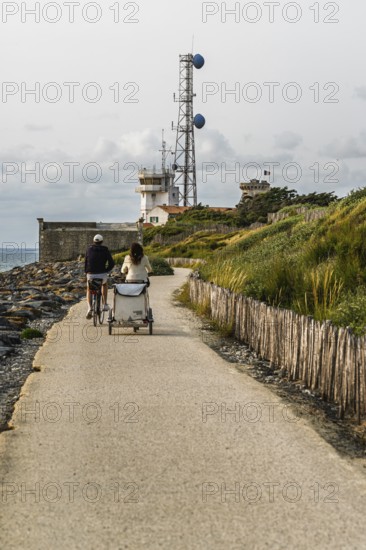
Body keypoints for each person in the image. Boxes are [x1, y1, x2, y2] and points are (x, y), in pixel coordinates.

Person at [85, 234, 115, 319]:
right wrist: (106, 270)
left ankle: (89, 308)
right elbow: (112, 263)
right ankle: (105, 304)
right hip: (102, 274)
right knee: (104, 285)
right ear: (102, 242)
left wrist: (86, 272)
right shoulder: (105, 250)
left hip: (90, 274)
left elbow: (86, 262)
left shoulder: (88, 249)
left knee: (89, 289)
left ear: (93, 241)